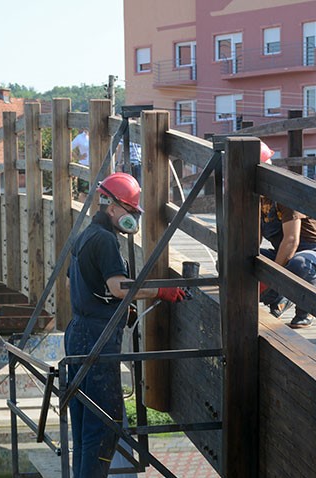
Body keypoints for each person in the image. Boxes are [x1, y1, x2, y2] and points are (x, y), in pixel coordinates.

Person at [66, 172, 187, 477]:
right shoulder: (105, 240)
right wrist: (161, 290)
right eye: (131, 210)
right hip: (96, 339)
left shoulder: (84, 235)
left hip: (78, 333)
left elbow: (80, 280)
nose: (133, 216)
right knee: (103, 424)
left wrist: (114, 306)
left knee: (83, 426)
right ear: (114, 207)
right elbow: (120, 287)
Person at [258, 142, 316, 328]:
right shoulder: (257, 197)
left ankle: (304, 309)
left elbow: (292, 241)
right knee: (235, 258)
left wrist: (272, 281)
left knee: (300, 264)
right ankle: (280, 297)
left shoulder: (284, 193)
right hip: (282, 254)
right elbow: (254, 237)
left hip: (314, 253)